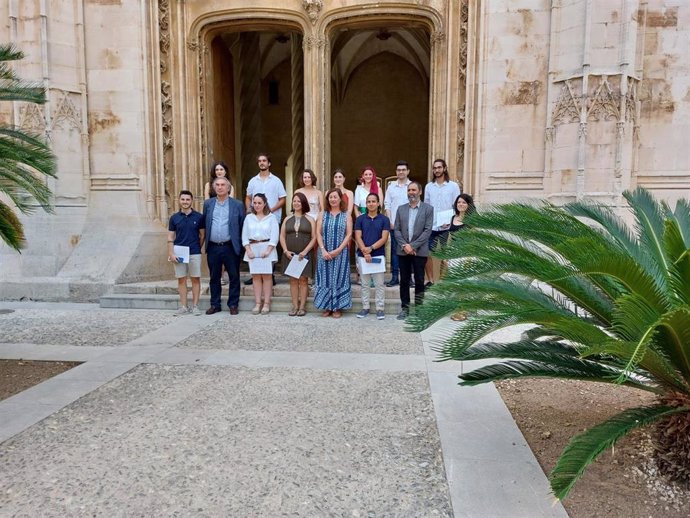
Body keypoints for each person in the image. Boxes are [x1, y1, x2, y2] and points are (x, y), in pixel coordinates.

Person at [203, 176, 244, 315]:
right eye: (217, 185)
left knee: (234, 276)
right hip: (213, 246)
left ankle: (233, 304)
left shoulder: (237, 205)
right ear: (214, 188)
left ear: (228, 188)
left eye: (223, 185)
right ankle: (215, 304)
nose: (220, 187)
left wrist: (240, 245)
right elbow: (206, 224)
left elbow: (241, 225)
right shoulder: (208, 204)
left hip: (230, 246)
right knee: (214, 277)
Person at [244, 153, 286, 286]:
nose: (262, 163)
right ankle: (255, 274)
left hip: (271, 218)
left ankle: (270, 274)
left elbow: (283, 199)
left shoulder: (276, 181)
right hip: (255, 218)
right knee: (255, 243)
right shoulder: (253, 181)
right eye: (260, 161)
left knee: (270, 245)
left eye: (264, 161)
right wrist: (249, 210)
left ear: (269, 163)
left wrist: (270, 211)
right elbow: (248, 197)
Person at [394, 181, 434, 320]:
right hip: (403, 251)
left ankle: (418, 309)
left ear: (420, 192)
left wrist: (413, 246)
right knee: (404, 280)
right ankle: (405, 308)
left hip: (420, 251)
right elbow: (397, 230)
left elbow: (427, 230)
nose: (411, 192)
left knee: (419, 280)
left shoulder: (428, 209)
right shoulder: (401, 209)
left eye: (414, 190)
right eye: (409, 190)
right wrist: (405, 246)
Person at [314, 188, 353, 318]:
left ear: (340, 198)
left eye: (335, 197)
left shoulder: (346, 214)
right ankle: (326, 306)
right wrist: (323, 249)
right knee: (324, 278)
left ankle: (337, 307)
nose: (333, 199)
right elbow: (318, 233)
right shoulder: (322, 214)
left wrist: (338, 250)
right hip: (324, 252)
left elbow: (349, 234)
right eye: (330, 197)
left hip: (340, 253)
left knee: (339, 277)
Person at [423, 158, 461, 288]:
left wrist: (451, 222)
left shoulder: (453, 186)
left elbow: (457, 206)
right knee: (427, 253)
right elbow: (426, 206)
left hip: (447, 226)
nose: (437, 170)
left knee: (446, 255)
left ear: (444, 168)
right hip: (432, 226)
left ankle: (444, 281)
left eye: (439, 167)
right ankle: (431, 280)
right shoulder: (429, 186)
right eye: (434, 168)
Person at [167, 190, 205, 316]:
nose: (185, 202)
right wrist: (171, 253)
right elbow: (170, 238)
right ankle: (183, 306)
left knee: (195, 279)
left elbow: (202, 235)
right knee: (181, 280)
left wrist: (196, 248)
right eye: (183, 199)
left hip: (194, 252)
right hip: (179, 253)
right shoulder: (174, 218)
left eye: (187, 199)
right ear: (179, 200)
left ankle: (195, 306)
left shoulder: (199, 217)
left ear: (191, 201)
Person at [279, 192, 316, 316]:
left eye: (299, 201)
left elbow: (314, 238)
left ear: (303, 203)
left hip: (304, 255)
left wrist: (305, 251)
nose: (296, 203)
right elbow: (282, 236)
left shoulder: (310, 219)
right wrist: (285, 250)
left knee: (304, 280)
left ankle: (302, 307)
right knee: (293, 280)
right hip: (290, 255)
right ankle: (294, 306)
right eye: (294, 201)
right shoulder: (287, 219)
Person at [242, 194, 280, 315]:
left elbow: (275, 235)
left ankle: (267, 303)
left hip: (267, 249)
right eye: (255, 203)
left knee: (267, 277)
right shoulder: (249, 218)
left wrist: (268, 250)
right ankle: (258, 303)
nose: (257, 205)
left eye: (259, 203)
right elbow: (244, 235)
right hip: (253, 250)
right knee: (256, 277)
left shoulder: (271, 218)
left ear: (264, 204)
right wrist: (248, 250)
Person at [354, 193, 390, 320]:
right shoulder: (360, 219)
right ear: (366, 204)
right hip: (363, 256)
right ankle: (365, 307)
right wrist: (365, 251)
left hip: (378, 256)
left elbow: (384, 238)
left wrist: (371, 249)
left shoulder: (384, 220)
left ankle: (380, 308)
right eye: (368, 201)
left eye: (373, 201)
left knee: (379, 284)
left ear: (378, 203)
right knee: (365, 284)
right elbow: (358, 236)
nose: (371, 203)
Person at [446, 193, 475, 322]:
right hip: (453, 254)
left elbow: (476, 239)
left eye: (463, 202)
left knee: (464, 283)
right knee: (455, 283)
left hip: (466, 254)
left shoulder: (473, 219)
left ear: (468, 205)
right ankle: (458, 308)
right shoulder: (453, 218)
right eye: (459, 202)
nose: (461, 204)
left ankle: (463, 311)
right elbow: (450, 238)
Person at [383, 160, 412, 287]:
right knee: (395, 251)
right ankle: (395, 277)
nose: (401, 172)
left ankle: (408, 278)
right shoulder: (391, 187)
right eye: (399, 170)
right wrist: (390, 220)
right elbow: (387, 204)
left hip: (410, 225)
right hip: (394, 224)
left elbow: (416, 204)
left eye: (403, 170)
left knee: (409, 250)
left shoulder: (412, 186)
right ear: (396, 172)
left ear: (408, 171)